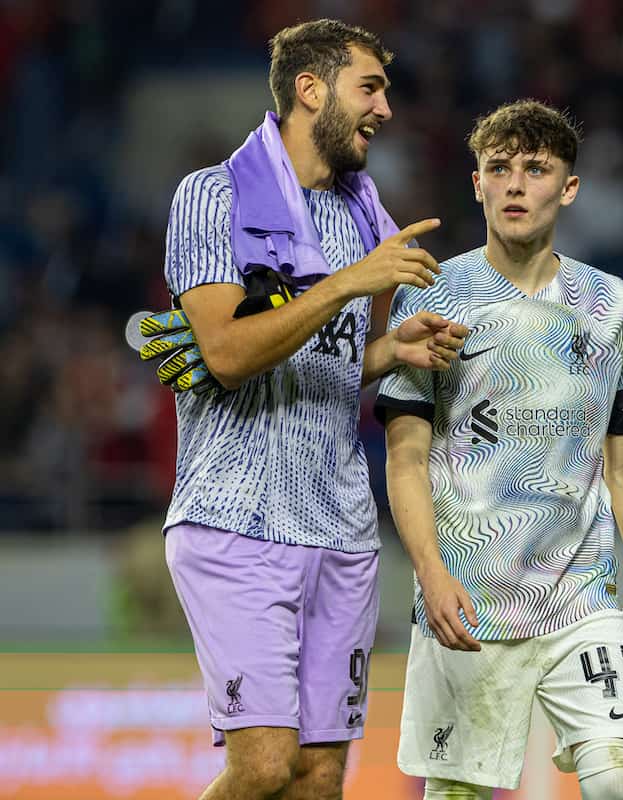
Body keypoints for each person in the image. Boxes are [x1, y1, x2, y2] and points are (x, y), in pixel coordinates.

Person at [159, 19, 469, 800]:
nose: (386, 109)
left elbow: (320, 360)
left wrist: (391, 351)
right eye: (370, 87)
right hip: (236, 521)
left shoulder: (359, 212)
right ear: (310, 89)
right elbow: (227, 355)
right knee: (263, 765)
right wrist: (343, 284)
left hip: (340, 531)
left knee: (319, 775)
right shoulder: (213, 196)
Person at [375, 99, 623, 800]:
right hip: (469, 598)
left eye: (536, 169)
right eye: (499, 168)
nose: (516, 184)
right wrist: (429, 573)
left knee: (615, 784)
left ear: (568, 187)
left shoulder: (613, 308)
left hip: (582, 594)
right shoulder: (433, 297)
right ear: (475, 183)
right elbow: (405, 457)